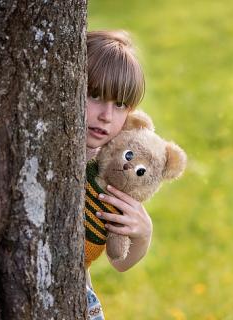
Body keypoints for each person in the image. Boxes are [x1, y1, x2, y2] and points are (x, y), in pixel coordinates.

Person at [84, 30, 152, 320]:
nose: (106, 116)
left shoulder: (113, 170)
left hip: (81, 304)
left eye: (120, 104)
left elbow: (120, 264)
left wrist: (143, 235)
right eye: (95, 96)